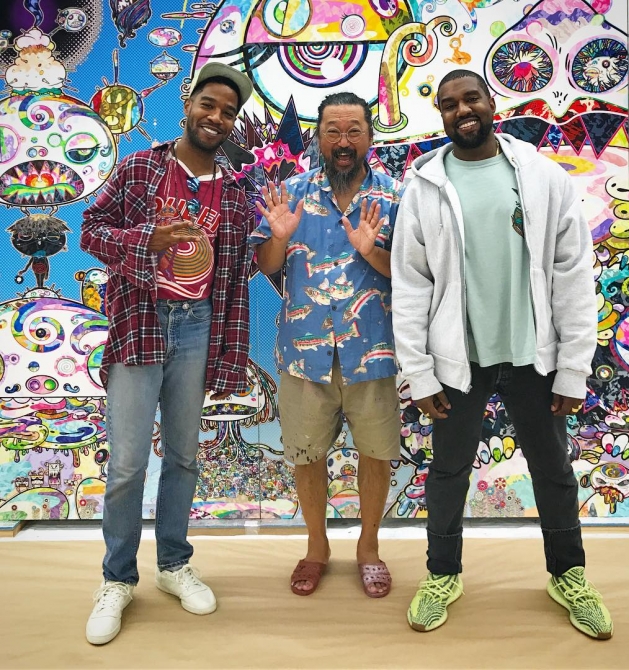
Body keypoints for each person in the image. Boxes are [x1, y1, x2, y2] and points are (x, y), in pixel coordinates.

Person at [391, 69, 613, 639]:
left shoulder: (542, 176)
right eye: (449, 105)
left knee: (553, 470)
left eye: (471, 99)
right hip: (458, 358)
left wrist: (573, 368)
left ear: (492, 103)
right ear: (441, 115)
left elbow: (572, 274)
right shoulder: (425, 186)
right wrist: (419, 373)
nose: (462, 111)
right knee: (448, 472)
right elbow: (411, 284)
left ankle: (568, 576)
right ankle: (442, 575)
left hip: (532, 356)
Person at [80, 62, 255, 645]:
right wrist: (143, 240)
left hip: (198, 326)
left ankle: (174, 564)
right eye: (208, 104)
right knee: (128, 463)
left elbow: (236, 276)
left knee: (183, 456)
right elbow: (89, 230)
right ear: (188, 105)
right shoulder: (140, 168)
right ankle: (116, 579)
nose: (216, 117)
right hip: (141, 322)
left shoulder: (236, 193)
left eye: (228, 112)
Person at [251, 92, 403, 598]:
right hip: (303, 354)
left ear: (370, 137)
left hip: (372, 351)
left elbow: (409, 273)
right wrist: (278, 237)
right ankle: (316, 547)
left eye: (353, 130)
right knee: (305, 454)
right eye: (333, 131)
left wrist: (371, 251)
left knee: (376, 452)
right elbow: (268, 265)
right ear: (318, 137)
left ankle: (369, 548)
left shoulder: (395, 197)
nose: (343, 141)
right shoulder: (290, 193)